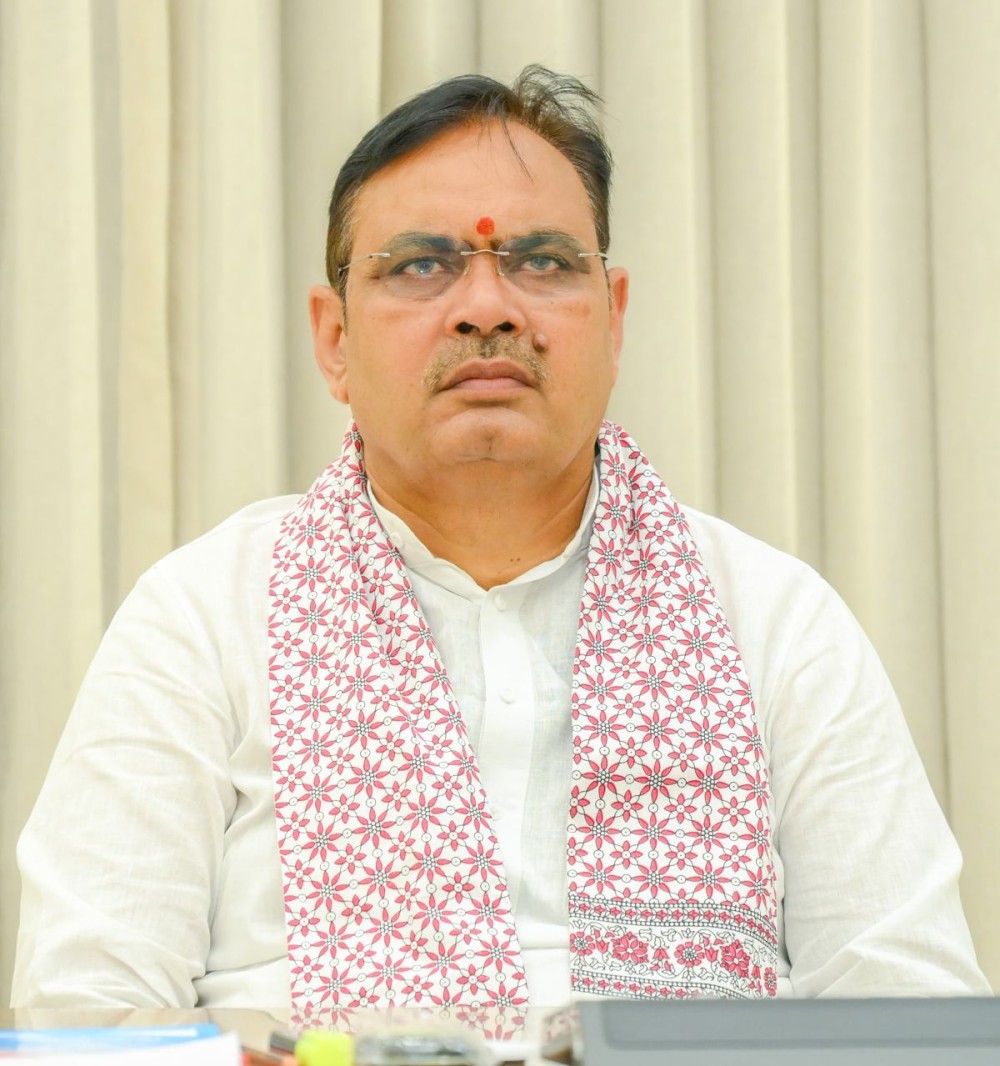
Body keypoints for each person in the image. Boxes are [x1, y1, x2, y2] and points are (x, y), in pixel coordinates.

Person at [12, 66, 989, 1011]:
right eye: (422, 265)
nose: (487, 306)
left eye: (544, 261)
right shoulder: (201, 617)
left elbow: (903, 1010)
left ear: (613, 321)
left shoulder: (776, 623)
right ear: (334, 340)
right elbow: (89, 1017)